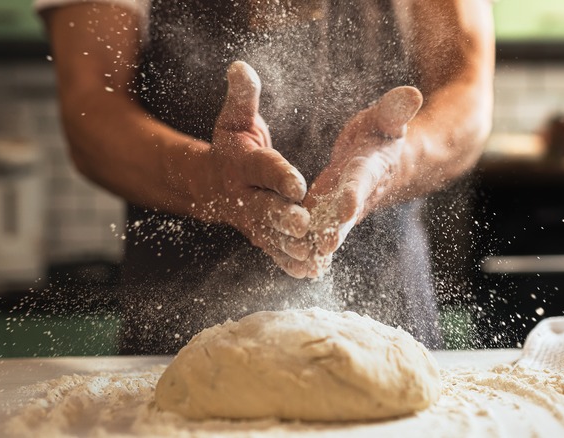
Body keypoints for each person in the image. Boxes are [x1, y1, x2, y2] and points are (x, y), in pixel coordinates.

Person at [36, 0, 494, 354]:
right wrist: (210, 182)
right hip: (178, 320)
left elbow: (466, 93)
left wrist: (391, 162)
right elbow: (90, 110)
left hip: (389, 307)